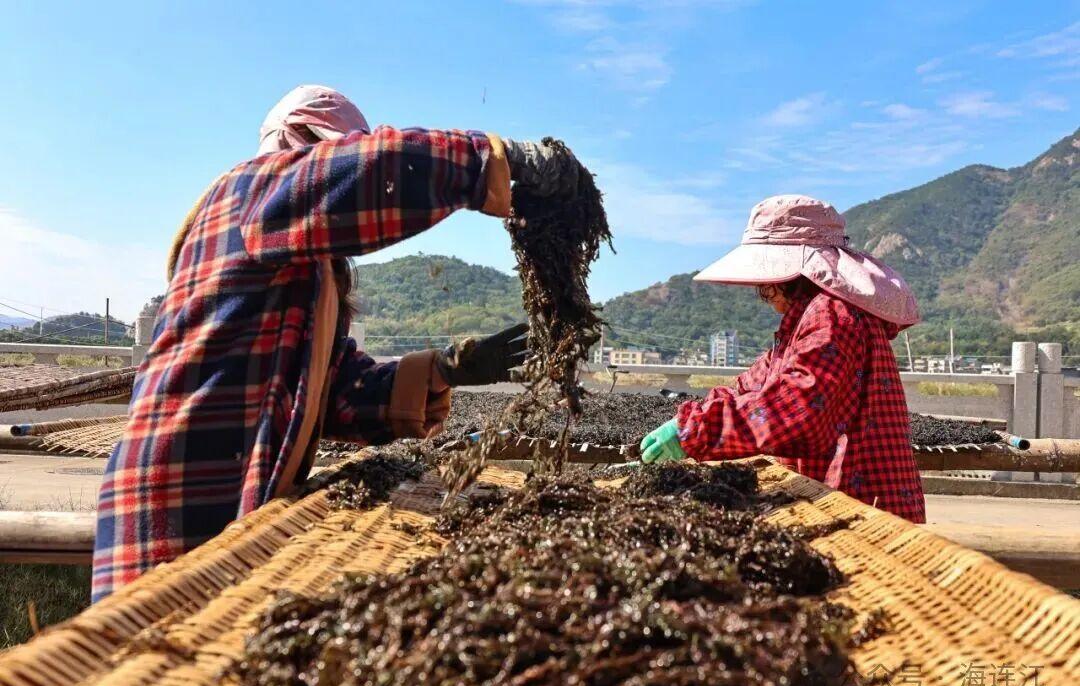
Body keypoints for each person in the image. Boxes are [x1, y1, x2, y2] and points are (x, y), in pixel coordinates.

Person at [92, 85, 577, 601]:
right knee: (143, 657)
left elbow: (330, 389)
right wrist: (496, 162)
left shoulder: (299, 264)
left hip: (233, 511)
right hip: (172, 504)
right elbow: (368, 174)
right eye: (321, 150)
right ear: (289, 142)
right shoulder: (248, 192)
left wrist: (446, 368)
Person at [639, 195, 925, 523]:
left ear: (792, 277)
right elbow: (752, 386)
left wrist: (695, 431)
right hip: (849, 498)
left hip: (867, 506)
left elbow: (796, 407)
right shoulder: (804, 320)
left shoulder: (832, 314)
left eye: (768, 286)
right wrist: (684, 423)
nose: (765, 293)